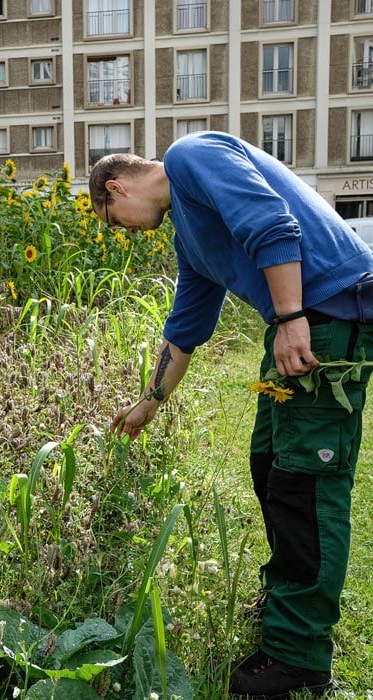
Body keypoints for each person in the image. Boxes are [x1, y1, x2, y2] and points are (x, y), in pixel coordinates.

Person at [89, 131, 373, 698]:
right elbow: (186, 327)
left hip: (324, 316)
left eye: (114, 219)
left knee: (305, 486)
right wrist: (150, 401)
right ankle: (287, 599)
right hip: (296, 324)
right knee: (269, 465)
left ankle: (300, 655)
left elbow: (270, 222)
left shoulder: (189, 156)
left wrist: (291, 315)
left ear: (115, 187)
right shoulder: (190, 236)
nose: (123, 231)